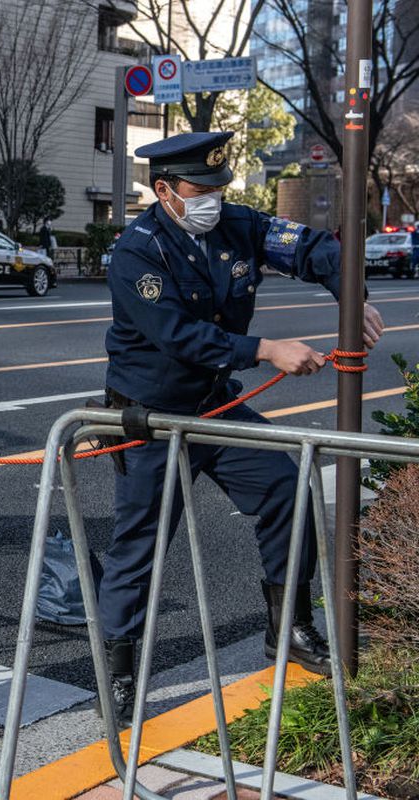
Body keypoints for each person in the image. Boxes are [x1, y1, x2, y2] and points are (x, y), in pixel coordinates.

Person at [98, 130, 384, 725]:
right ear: (164, 191)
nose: (211, 199)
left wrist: (348, 295)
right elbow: (178, 336)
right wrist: (266, 349)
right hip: (152, 417)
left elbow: (312, 248)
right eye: (198, 189)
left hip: (214, 406)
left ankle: (290, 629)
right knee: (141, 545)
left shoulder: (236, 225)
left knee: (287, 489)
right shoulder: (137, 251)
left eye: (217, 188)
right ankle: (119, 671)